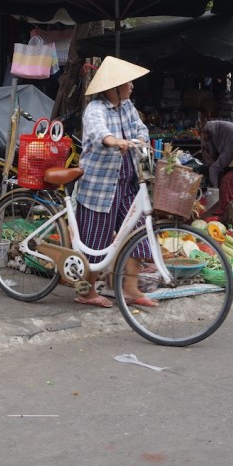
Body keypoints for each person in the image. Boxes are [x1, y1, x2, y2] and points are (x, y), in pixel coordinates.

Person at [73, 56, 156, 309]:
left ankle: (130, 289)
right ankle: (86, 293)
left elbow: (141, 129)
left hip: (128, 182)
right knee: (95, 243)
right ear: (114, 87)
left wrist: (138, 140)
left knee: (139, 231)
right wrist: (114, 141)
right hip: (100, 188)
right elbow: (100, 132)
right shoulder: (95, 109)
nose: (132, 86)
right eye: (128, 83)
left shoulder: (127, 106)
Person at [200, 119, 233, 189]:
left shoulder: (209, 129)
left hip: (232, 146)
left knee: (213, 169)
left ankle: (216, 189)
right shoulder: (214, 127)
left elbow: (211, 153)